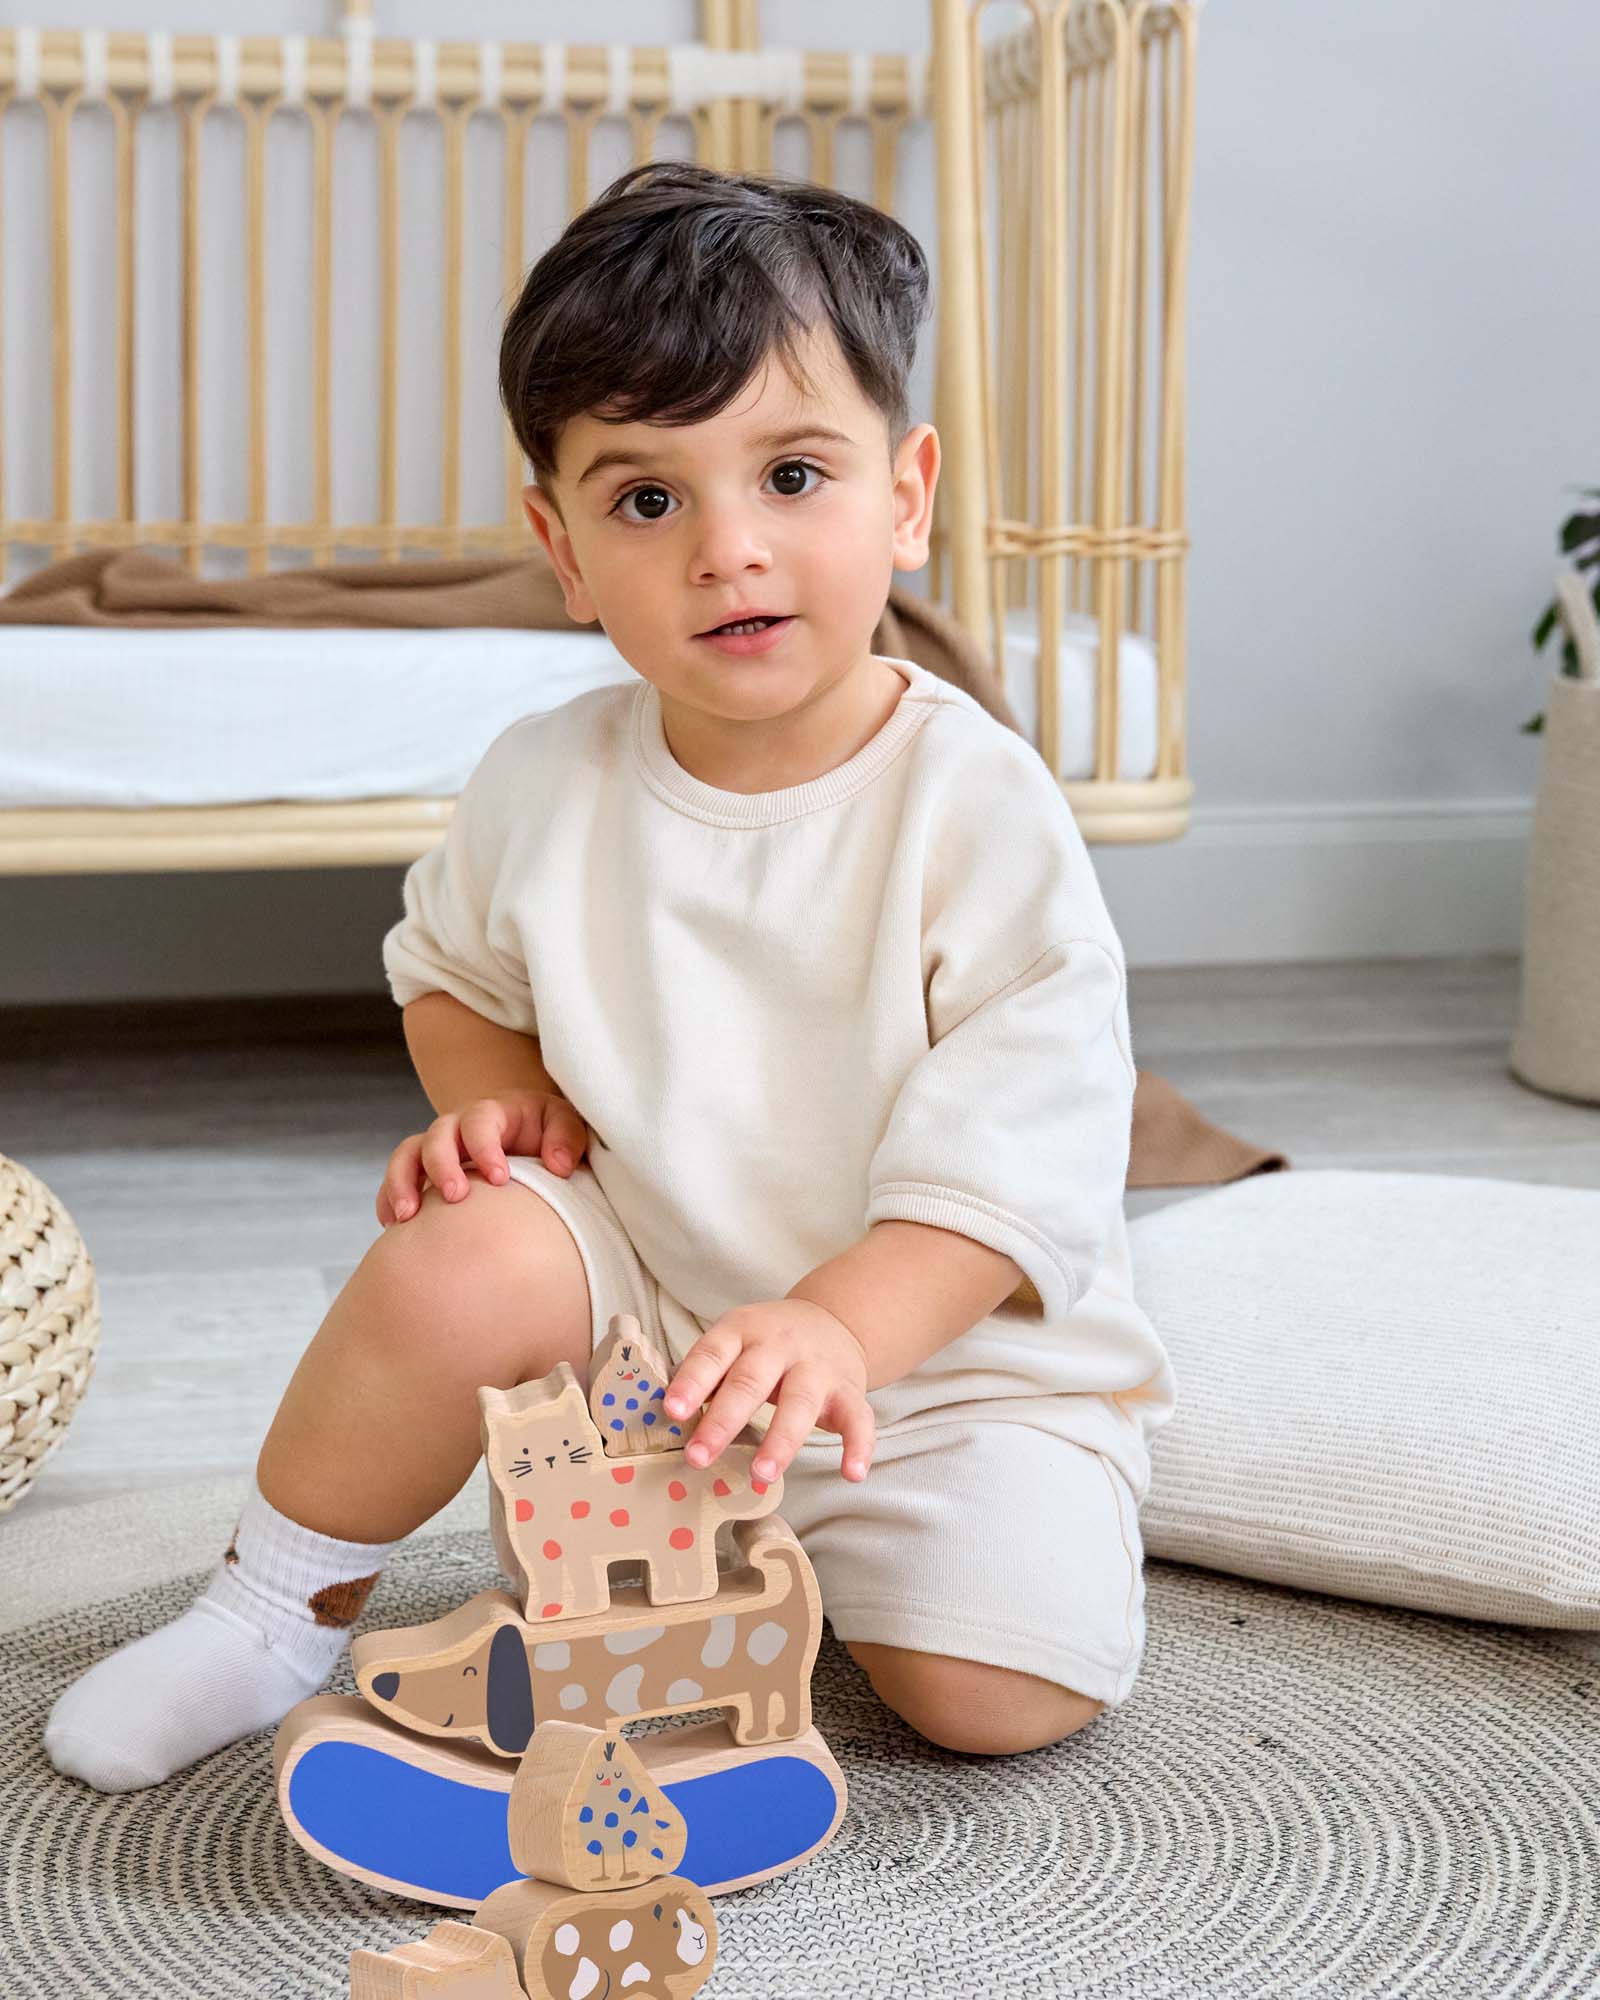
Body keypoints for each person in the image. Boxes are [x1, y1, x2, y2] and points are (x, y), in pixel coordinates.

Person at [45, 161, 1176, 1793]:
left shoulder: (974, 803)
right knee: (457, 1252)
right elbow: (442, 968)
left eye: (793, 475)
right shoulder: (543, 775)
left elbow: (1015, 1162)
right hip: (652, 1317)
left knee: (994, 1692)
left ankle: (935, 1521)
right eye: (648, 500)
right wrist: (498, 1109)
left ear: (908, 495)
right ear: (561, 546)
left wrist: (833, 1332)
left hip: (936, 1367)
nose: (729, 549)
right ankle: (273, 1608)